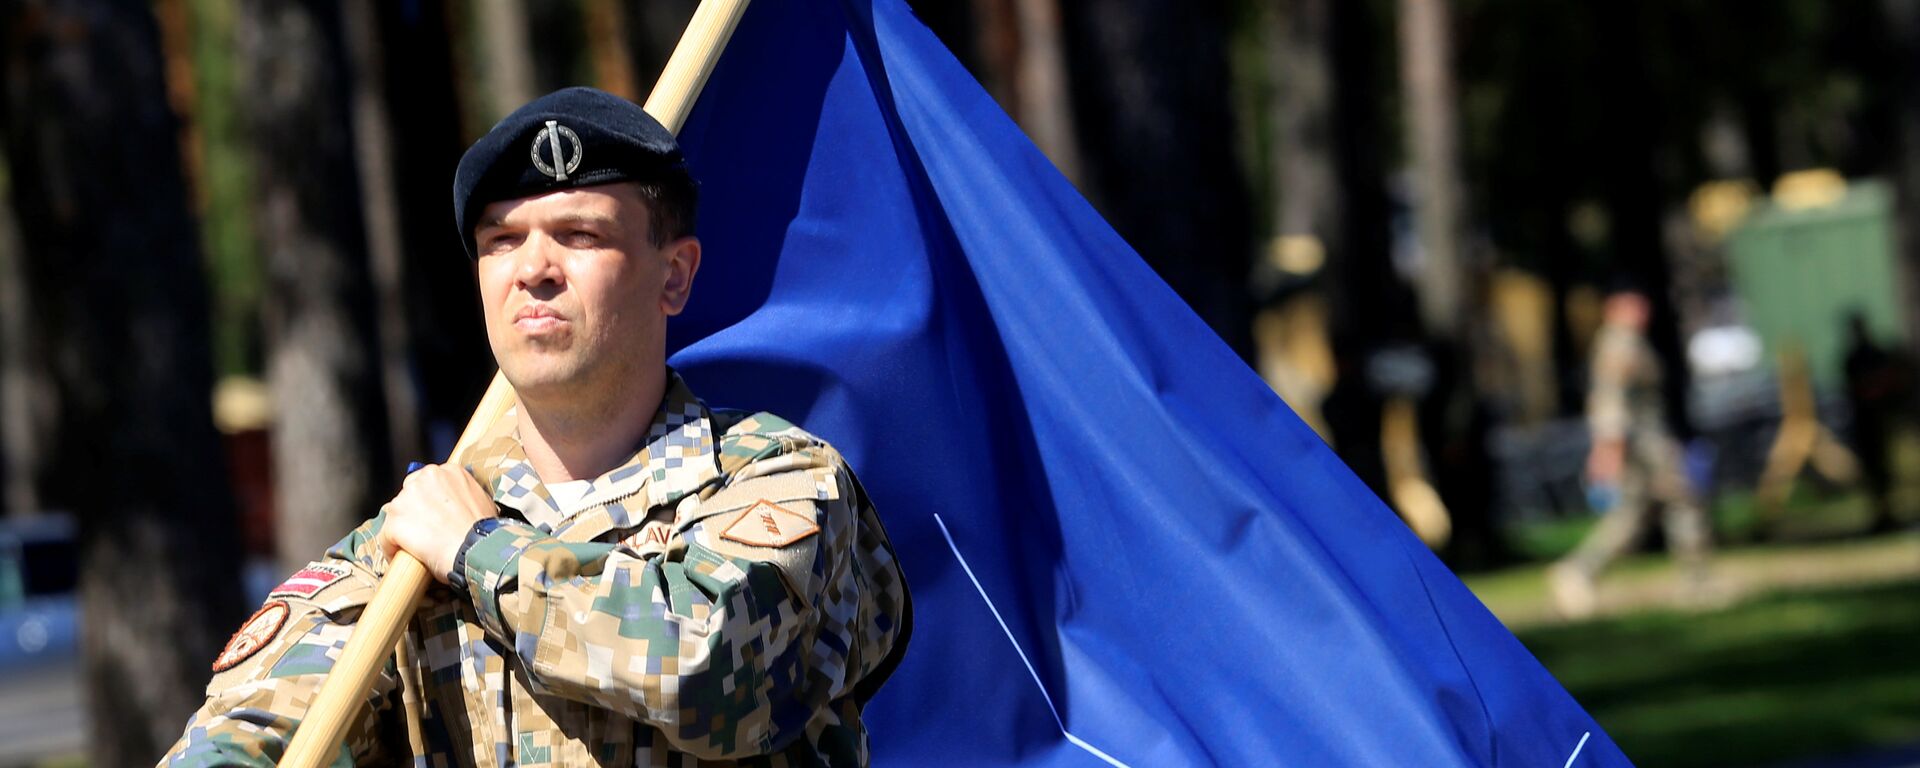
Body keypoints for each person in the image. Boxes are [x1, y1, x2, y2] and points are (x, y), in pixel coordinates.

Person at [159, 87, 911, 766]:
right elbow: (255, 723)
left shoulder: (776, 476)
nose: (534, 268)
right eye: (501, 240)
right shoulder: (412, 539)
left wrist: (481, 556)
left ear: (675, 275)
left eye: (579, 234)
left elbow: (712, 676)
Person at [1549, 288, 1712, 619]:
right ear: (1612, 308)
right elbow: (1610, 400)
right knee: (1682, 499)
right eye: (1631, 304)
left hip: (1642, 438)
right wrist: (1609, 450)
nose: (1641, 310)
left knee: (1633, 515)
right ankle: (1696, 581)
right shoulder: (1619, 344)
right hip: (1641, 440)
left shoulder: (1627, 341)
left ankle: (1579, 571)